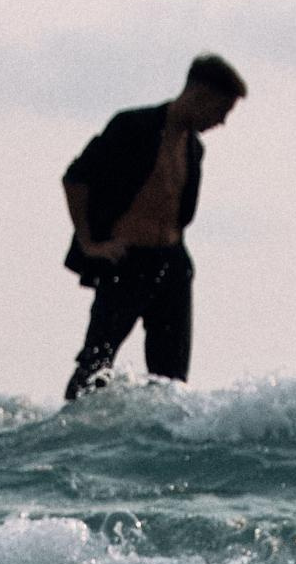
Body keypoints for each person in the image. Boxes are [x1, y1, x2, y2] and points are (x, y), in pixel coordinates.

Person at [61, 55, 247, 402]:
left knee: (171, 380)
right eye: (221, 110)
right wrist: (89, 243)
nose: (221, 121)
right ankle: (71, 435)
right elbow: (76, 178)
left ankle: (161, 446)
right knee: (96, 363)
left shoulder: (194, 148)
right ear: (199, 95)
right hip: (126, 262)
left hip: (173, 265)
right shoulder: (132, 126)